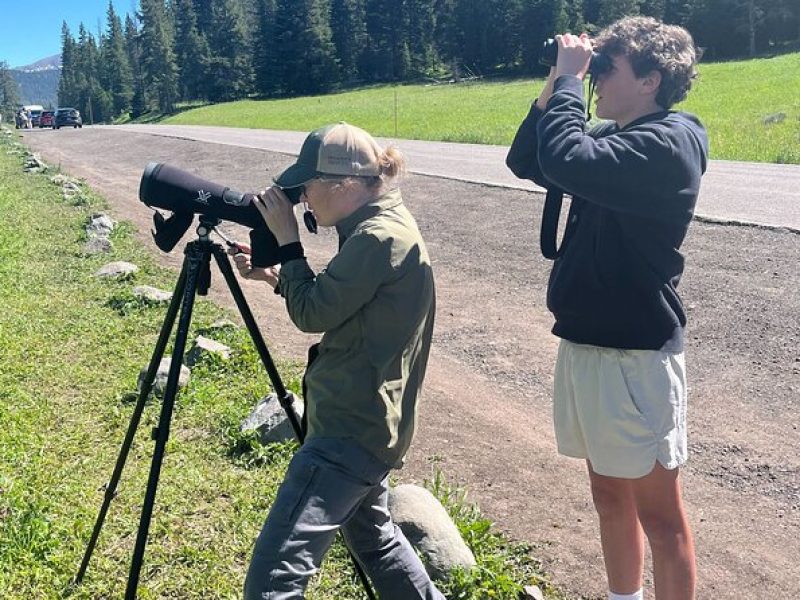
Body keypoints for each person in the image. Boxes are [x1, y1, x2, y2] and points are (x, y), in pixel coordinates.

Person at [506, 17, 708, 600]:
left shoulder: (671, 143)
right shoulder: (612, 137)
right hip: (588, 343)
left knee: (661, 519)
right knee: (607, 496)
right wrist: (557, 79)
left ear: (650, 80)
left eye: (606, 69)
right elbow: (528, 158)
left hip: (635, 354)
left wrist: (571, 80)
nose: (594, 81)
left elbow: (567, 160)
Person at [231, 122, 443, 600]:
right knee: (378, 543)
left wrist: (288, 244)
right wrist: (275, 275)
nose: (302, 198)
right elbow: (343, 300)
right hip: (369, 421)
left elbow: (313, 313)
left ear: (342, 185)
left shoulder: (377, 237)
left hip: (349, 429)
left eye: (307, 186)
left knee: (272, 582)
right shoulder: (381, 223)